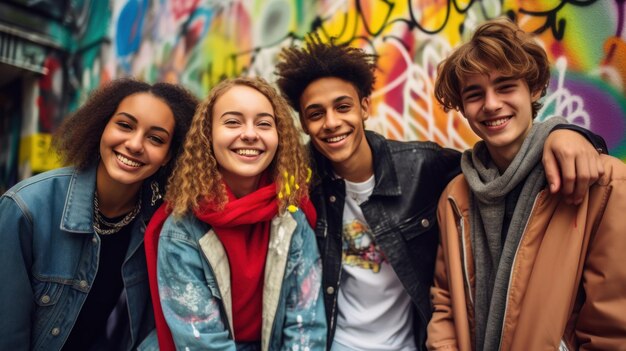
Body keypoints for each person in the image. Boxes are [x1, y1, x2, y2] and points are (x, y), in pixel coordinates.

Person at [274, 34, 607, 350]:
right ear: (303, 124)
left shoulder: (423, 167)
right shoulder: (304, 182)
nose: (331, 123)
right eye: (315, 114)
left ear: (363, 108)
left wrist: (564, 132)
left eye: (342, 107)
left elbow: (500, 166)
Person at [427, 18, 626, 351]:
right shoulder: (456, 196)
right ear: (462, 108)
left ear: (533, 90)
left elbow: (613, 325)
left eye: (505, 87)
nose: (491, 104)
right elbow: (447, 302)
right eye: (475, 94)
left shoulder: (601, 181)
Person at [0, 78, 198, 350]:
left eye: (156, 138)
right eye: (125, 125)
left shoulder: (164, 226)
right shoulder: (26, 208)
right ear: (102, 126)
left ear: (168, 155)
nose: (135, 144)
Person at [145, 77, 327, 351]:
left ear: (279, 136)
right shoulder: (182, 228)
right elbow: (202, 343)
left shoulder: (292, 218)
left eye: (264, 123)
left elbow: (306, 330)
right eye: (233, 122)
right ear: (208, 134)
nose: (250, 134)